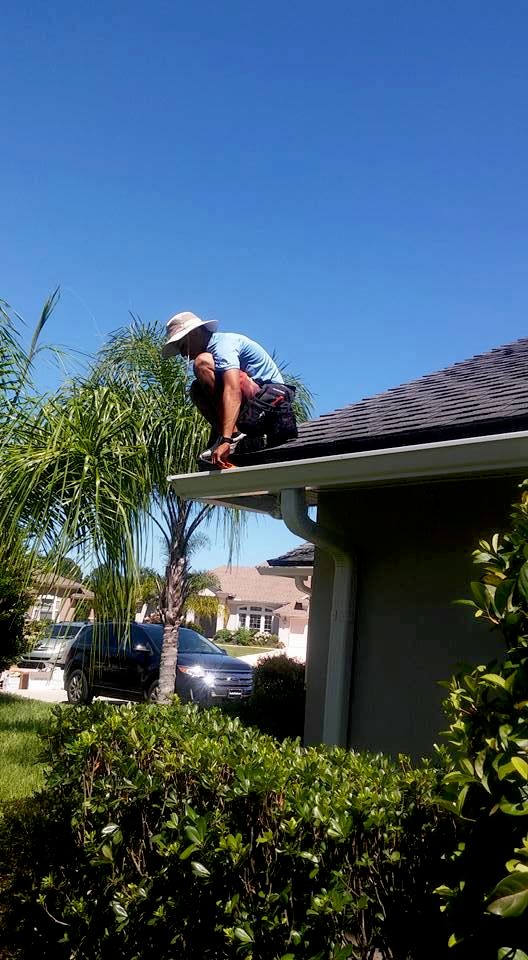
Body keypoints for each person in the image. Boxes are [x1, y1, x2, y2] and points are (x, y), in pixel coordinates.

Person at [162, 311, 297, 468]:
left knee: (201, 363)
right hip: (250, 403)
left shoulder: (222, 344)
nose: (184, 354)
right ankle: (227, 434)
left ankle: (232, 435)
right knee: (196, 389)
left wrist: (227, 440)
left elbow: (232, 389)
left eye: (184, 345)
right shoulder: (212, 352)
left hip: (269, 401)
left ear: (196, 332)